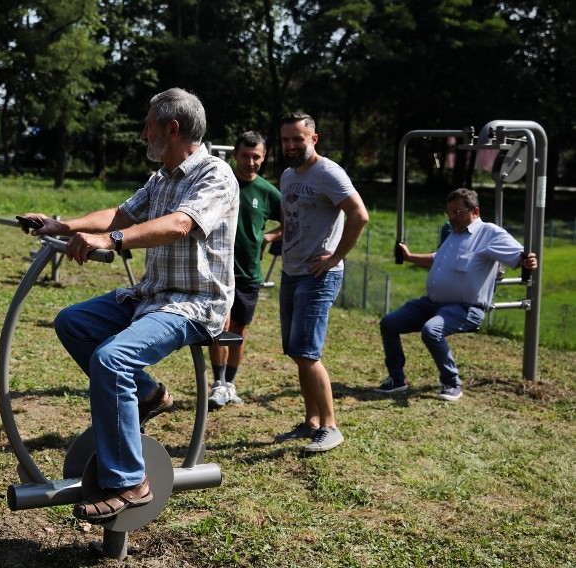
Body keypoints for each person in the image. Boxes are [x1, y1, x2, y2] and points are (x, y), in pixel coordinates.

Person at [21, 88, 238, 523]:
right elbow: (120, 215)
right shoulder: (161, 178)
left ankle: (129, 482)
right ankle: (150, 394)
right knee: (73, 322)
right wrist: (62, 225)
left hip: (194, 304)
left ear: (172, 128)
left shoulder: (215, 175)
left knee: (111, 359)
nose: (142, 134)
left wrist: (111, 241)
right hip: (151, 295)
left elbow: (180, 224)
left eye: (148, 125)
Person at [373, 188, 538, 401]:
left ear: (475, 211)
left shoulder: (489, 233)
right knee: (389, 323)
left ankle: (452, 383)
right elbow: (436, 259)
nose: (452, 217)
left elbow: (521, 255)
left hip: (465, 308)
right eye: (449, 212)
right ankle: (397, 379)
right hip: (432, 304)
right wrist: (410, 257)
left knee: (431, 331)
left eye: (457, 212)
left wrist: (528, 261)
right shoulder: (454, 235)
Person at [273, 112, 369, 453]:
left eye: (298, 138)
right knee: (297, 353)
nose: (291, 145)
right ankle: (311, 422)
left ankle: (331, 426)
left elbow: (360, 215)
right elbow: (292, 217)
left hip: (319, 275)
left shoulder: (328, 172)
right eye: (286, 139)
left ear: (313, 138)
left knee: (308, 353)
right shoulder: (287, 176)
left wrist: (334, 258)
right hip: (292, 271)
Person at [207, 131, 282, 409]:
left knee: (238, 329)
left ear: (263, 158)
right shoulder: (222, 184)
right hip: (218, 270)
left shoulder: (268, 192)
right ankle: (218, 382)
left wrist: (268, 237)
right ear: (235, 154)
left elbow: (291, 221)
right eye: (245, 155)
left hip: (249, 273)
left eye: (256, 157)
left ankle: (230, 384)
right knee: (219, 326)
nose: (250, 162)